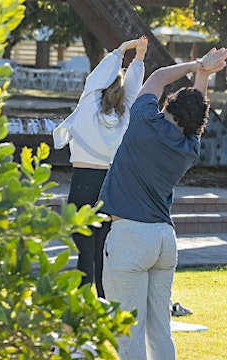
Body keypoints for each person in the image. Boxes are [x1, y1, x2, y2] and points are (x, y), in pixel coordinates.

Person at [99, 46, 227, 360]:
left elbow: (156, 78)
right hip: (163, 240)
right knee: (160, 332)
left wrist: (196, 66)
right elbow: (195, 114)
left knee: (130, 332)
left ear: (167, 107)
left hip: (129, 238)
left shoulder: (144, 122)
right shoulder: (189, 147)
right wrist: (204, 75)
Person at [53, 36, 147, 298]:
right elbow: (133, 89)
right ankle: (106, 303)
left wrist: (119, 51)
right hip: (110, 188)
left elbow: (94, 83)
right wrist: (138, 59)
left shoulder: (87, 108)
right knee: (103, 252)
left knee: (85, 254)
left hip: (83, 185)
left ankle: (83, 307)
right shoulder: (125, 115)